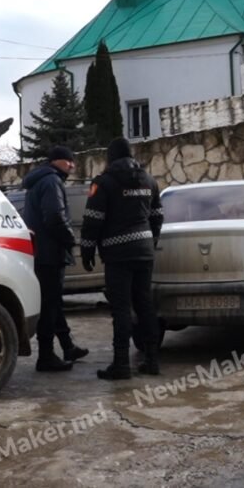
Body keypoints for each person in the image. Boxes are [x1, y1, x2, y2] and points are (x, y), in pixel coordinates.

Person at [80, 137, 164, 380]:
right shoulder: (149, 180)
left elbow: (92, 220)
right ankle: (152, 361)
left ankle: (121, 365)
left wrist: (87, 251)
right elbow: (158, 216)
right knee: (145, 306)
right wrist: (151, 241)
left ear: (111, 157)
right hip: (145, 252)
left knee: (121, 309)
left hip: (118, 255)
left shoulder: (104, 182)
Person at [21, 145, 89, 372]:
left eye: (73, 161)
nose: (72, 165)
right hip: (50, 253)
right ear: (55, 161)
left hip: (41, 252)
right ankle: (46, 356)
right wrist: (70, 240)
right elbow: (54, 216)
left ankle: (68, 346)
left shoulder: (39, 181)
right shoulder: (51, 182)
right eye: (67, 160)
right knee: (50, 306)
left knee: (53, 303)